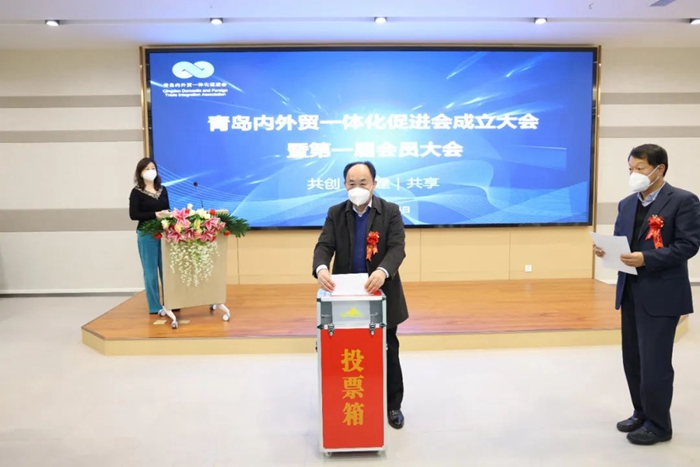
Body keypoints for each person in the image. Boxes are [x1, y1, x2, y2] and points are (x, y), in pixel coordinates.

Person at [594, 144, 700, 445]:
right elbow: (623, 242)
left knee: (655, 363)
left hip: (662, 294)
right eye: (630, 169)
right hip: (630, 291)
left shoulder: (683, 200)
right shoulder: (627, 204)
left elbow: (688, 245)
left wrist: (646, 258)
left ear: (659, 169)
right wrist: (606, 250)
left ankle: (659, 425)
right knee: (634, 359)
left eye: (640, 168)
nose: (634, 174)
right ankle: (641, 412)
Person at [312, 161, 409, 429]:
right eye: (351, 183)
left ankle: (393, 405)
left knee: (388, 350)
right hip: (347, 294)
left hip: (381, 293)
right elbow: (324, 245)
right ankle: (349, 398)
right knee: (347, 349)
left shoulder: (390, 211)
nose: (357, 188)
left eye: (363, 183)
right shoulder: (336, 213)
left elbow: (397, 248)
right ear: (344, 185)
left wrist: (383, 271)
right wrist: (321, 268)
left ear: (374, 184)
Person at [129, 158, 171, 314]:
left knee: (166, 270)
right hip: (146, 234)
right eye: (147, 169)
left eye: (153, 168)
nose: (150, 171)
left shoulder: (163, 189)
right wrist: (155, 214)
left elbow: (168, 209)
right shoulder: (136, 192)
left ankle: (171, 302)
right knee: (151, 272)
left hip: (164, 234)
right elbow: (134, 215)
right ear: (140, 173)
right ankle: (155, 306)